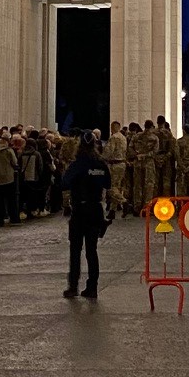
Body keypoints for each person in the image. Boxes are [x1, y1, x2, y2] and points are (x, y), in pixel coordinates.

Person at [60, 131, 111, 300]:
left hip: (80, 210)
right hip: (95, 209)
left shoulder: (77, 164)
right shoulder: (101, 164)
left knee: (75, 250)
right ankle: (92, 287)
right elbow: (108, 184)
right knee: (92, 251)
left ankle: (73, 286)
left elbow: (64, 183)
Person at [104, 121, 128, 217]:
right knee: (117, 187)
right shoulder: (123, 137)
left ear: (113, 127)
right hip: (122, 164)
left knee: (111, 187)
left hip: (114, 164)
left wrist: (102, 159)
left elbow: (109, 151)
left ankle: (124, 201)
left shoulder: (113, 138)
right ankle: (112, 210)